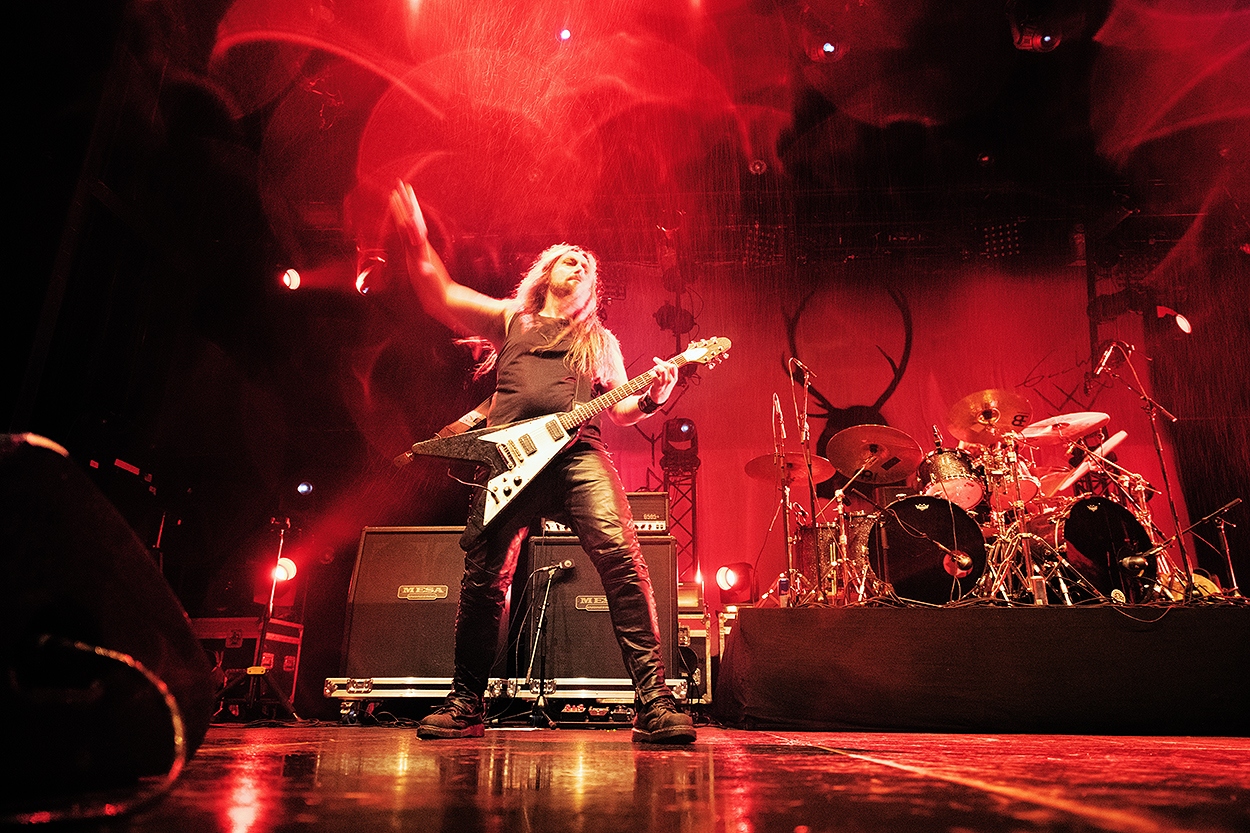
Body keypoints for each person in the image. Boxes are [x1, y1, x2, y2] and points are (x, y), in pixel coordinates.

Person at [389, 181, 696, 744]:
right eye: (569, 259)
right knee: (485, 580)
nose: (579, 264)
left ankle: (653, 701)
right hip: (509, 462)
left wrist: (656, 395)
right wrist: (416, 240)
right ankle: (466, 703)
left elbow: (622, 409)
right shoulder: (512, 318)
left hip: (579, 456)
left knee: (624, 562)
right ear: (546, 272)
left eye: (588, 266)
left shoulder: (599, 341)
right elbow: (440, 293)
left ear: (593, 290)